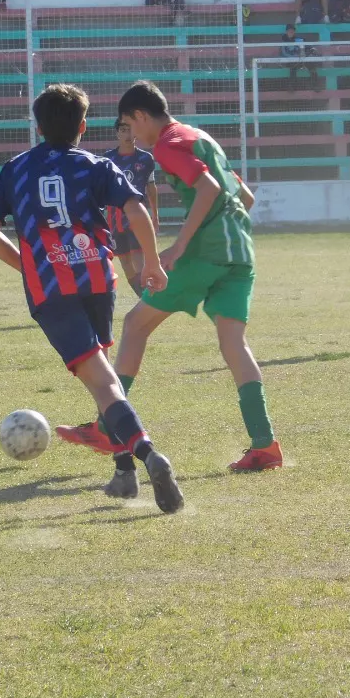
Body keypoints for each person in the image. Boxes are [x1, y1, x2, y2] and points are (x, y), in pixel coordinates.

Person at [0, 83, 184, 513]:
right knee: (102, 374)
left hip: (53, 290)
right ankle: (123, 471)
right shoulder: (95, 165)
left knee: (102, 381)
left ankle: (148, 454)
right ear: (83, 126)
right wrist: (152, 262)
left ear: (38, 127)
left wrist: (27, 266)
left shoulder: (15, 169)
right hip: (96, 279)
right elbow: (136, 209)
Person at [111, 79, 283, 473]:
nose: (132, 135)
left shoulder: (168, 144)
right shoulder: (199, 137)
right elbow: (244, 196)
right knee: (233, 343)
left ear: (140, 116)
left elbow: (208, 188)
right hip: (240, 251)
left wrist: (180, 247)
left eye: (130, 125)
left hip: (206, 251)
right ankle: (265, 445)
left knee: (136, 324)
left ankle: (110, 426)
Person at [103, 115, 160, 299]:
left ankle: (150, 301)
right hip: (114, 220)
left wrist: (155, 215)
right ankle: (144, 299)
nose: (127, 135)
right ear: (117, 133)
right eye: (123, 130)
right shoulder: (107, 159)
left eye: (130, 130)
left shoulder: (145, 159)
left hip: (136, 218)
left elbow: (151, 187)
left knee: (139, 262)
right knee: (126, 265)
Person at [280, 23, 321, 90]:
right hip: (290, 62)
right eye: (289, 31)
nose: (291, 32)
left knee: (312, 66)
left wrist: (312, 49)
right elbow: (284, 53)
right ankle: (292, 86)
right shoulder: (283, 42)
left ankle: (315, 86)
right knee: (293, 68)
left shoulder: (298, 39)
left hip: (301, 61)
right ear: (286, 32)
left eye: (292, 31)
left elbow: (308, 46)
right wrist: (295, 57)